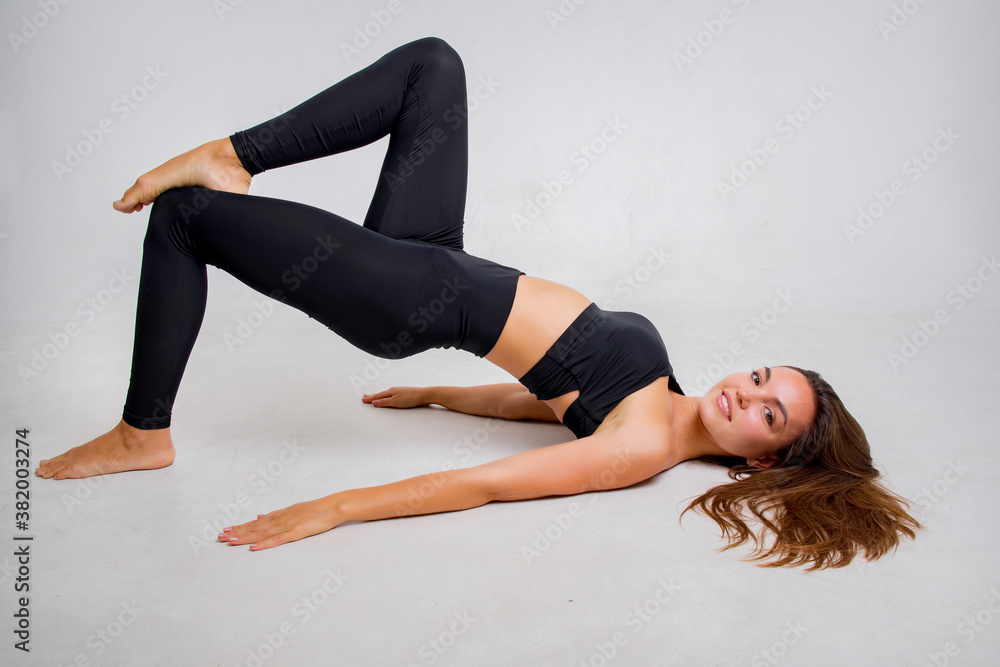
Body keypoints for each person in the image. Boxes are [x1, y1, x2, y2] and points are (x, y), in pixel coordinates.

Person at [35, 37, 919, 569]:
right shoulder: (666, 397)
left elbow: (487, 485)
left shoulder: (641, 446)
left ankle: (143, 430)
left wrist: (337, 507)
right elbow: (549, 394)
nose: (747, 393)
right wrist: (439, 395)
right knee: (434, 64)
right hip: (433, 260)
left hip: (408, 300)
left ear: (762, 461)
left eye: (767, 414)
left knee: (184, 215)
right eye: (764, 378)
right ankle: (238, 152)